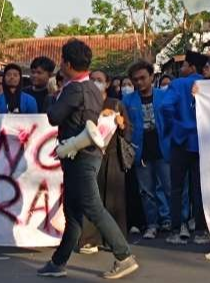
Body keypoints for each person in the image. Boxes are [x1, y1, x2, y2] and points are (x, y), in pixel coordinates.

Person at [37, 39, 138, 280]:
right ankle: (57, 262)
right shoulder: (93, 87)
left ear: (68, 64)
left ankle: (124, 256)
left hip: (79, 156)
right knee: (72, 212)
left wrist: (54, 95)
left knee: (92, 207)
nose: (60, 65)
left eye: (62, 61)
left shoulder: (73, 89)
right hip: (87, 155)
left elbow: (53, 117)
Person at [77, 70, 132, 255]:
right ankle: (89, 239)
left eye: (99, 80)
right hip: (89, 154)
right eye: (92, 80)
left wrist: (121, 123)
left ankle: (114, 239)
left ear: (107, 84)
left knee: (114, 198)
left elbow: (128, 132)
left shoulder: (117, 104)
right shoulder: (84, 104)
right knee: (93, 198)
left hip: (113, 156)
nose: (95, 83)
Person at [160, 51, 209, 246]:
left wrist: (176, 128)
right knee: (199, 188)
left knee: (177, 188)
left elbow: (165, 107)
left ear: (192, 67)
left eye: (184, 65)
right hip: (201, 143)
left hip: (180, 142)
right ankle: (200, 230)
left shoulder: (178, 84)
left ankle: (176, 229)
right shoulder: (209, 85)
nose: (181, 69)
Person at [123, 62, 170, 240]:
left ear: (152, 77)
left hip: (162, 146)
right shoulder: (127, 100)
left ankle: (171, 220)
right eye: (135, 80)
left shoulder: (164, 96)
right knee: (146, 190)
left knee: (168, 186)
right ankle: (152, 223)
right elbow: (126, 126)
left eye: (143, 78)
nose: (139, 82)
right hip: (140, 149)